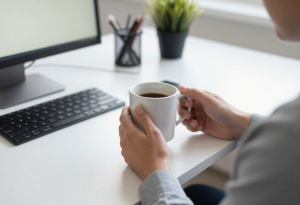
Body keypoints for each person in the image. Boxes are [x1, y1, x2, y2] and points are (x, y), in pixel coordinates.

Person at [119, 0, 300, 204]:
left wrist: (154, 169)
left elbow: (288, 140)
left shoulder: (287, 140)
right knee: (198, 192)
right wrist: (240, 123)